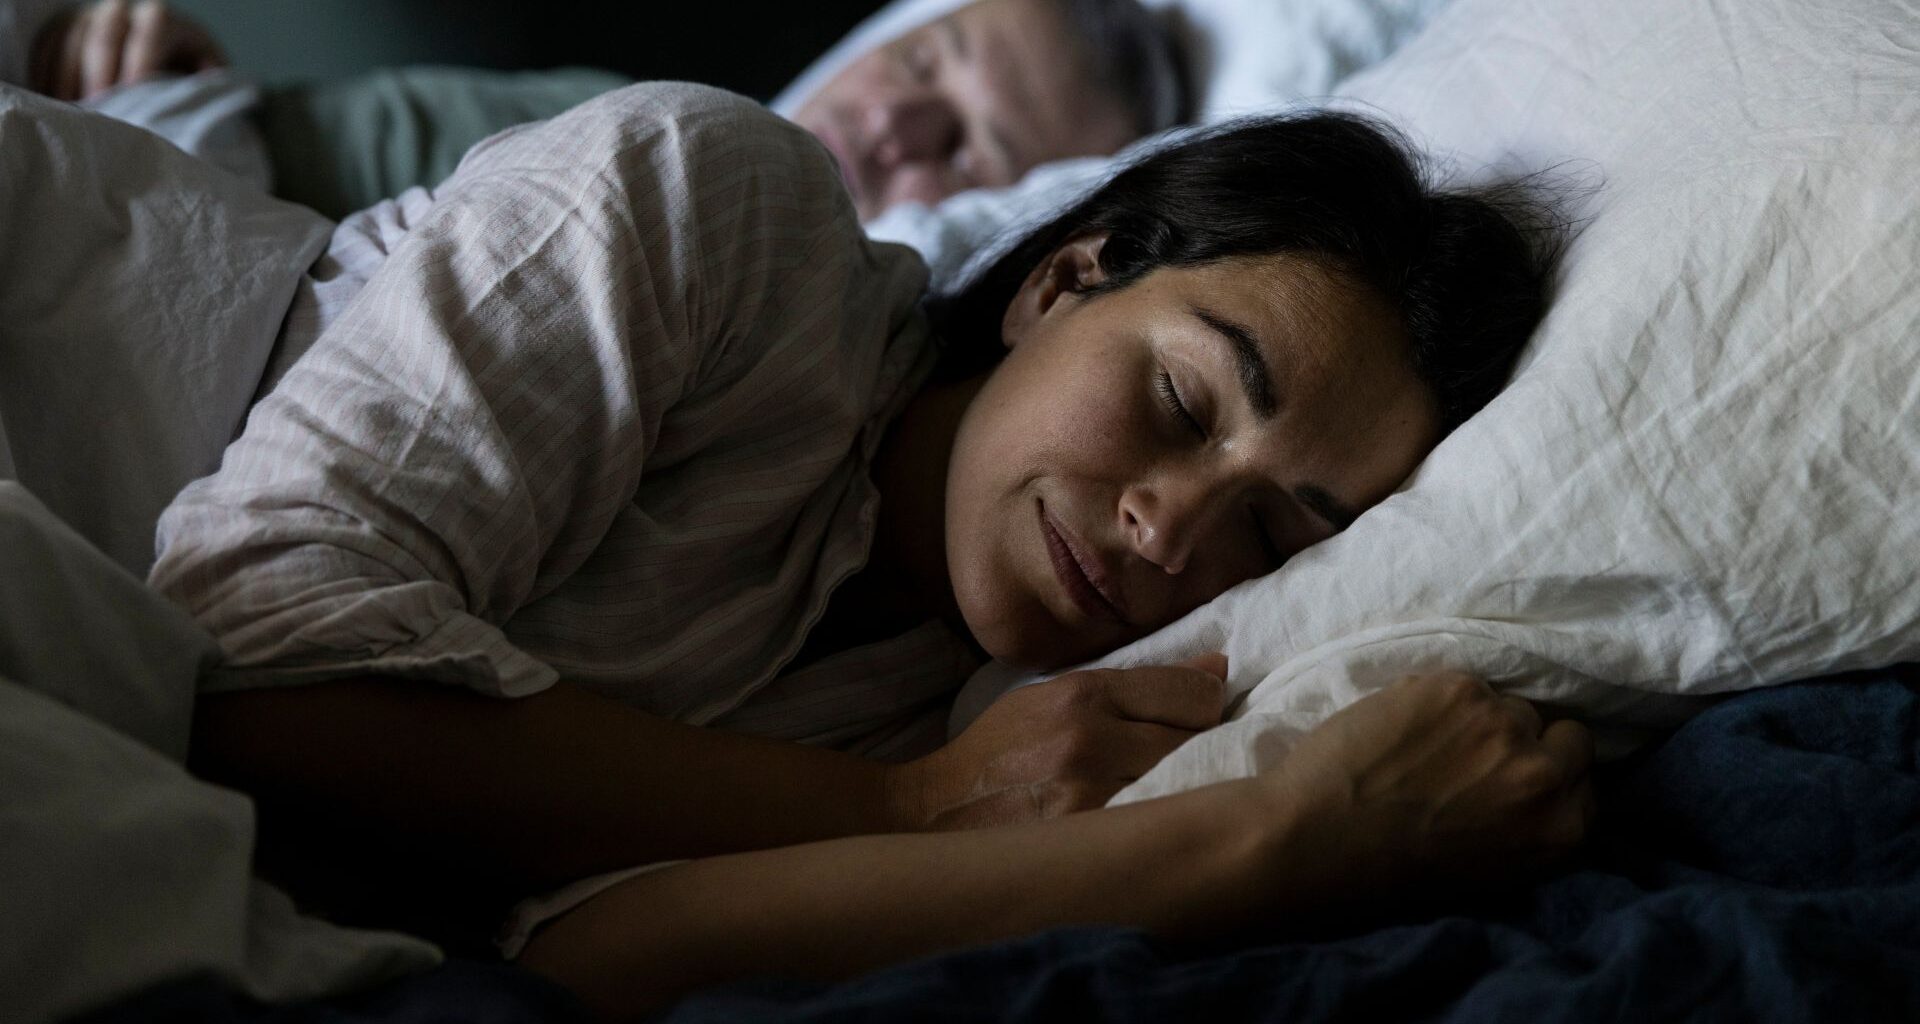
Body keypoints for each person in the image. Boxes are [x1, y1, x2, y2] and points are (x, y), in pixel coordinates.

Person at [146, 80, 1588, 1018]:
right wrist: (913, 809)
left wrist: (1241, 837)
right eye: (1180, 402)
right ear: (1061, 280)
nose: (1170, 528)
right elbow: (259, 661)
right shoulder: (723, 213)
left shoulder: (994, 711)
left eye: (1271, 529)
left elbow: (576, 963)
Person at [12, 0, 1189, 219]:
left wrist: (174, 131)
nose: (894, 123)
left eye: (969, 150)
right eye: (924, 62)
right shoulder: (605, 107)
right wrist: (151, 56)